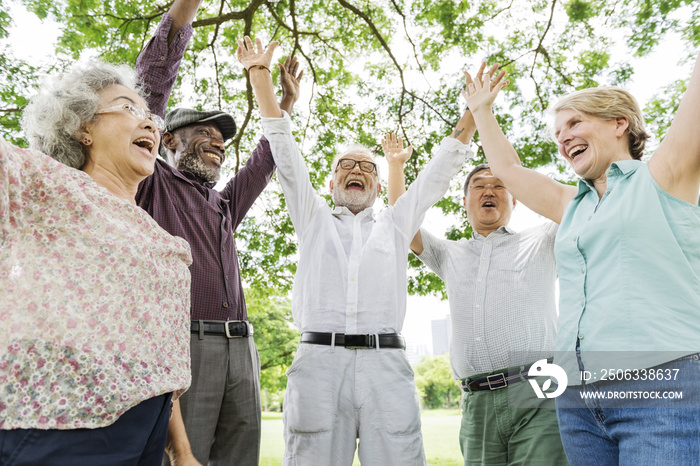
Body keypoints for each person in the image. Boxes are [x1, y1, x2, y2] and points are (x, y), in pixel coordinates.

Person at [237, 35, 490, 465]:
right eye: (346, 167)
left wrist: (474, 111)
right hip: (318, 365)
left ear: (376, 186)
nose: (357, 170)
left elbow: (439, 171)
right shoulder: (312, 217)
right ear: (332, 184)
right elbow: (282, 144)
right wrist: (259, 74)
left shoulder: (395, 223)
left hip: (385, 368)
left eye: (367, 169)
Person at [463, 52, 700, 465]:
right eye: (558, 132)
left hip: (659, 383)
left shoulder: (665, 176)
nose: (562, 137)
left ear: (618, 123)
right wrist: (481, 110)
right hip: (577, 398)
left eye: (574, 123)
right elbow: (506, 166)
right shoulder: (570, 204)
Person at [0, 60, 193, 464]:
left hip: (146, 432)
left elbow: (158, 363)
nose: (151, 126)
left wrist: (182, 450)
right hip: (61, 422)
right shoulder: (47, 183)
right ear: (82, 128)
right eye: (129, 108)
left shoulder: (160, 237)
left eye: (153, 118)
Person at [134, 4, 302, 464]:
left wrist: (283, 102)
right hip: (186, 345)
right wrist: (183, 13)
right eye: (205, 132)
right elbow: (149, 93)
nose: (218, 143)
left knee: (240, 455)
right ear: (168, 139)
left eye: (223, 140)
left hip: (242, 348)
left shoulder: (225, 204)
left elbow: (265, 159)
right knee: (185, 457)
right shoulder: (152, 181)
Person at [386, 130, 567, 464]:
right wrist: (395, 166)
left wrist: (515, 174)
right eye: (479, 186)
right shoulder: (448, 253)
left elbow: (573, 202)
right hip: (476, 401)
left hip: (538, 393)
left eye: (500, 186)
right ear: (464, 200)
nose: (489, 190)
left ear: (515, 199)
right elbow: (401, 221)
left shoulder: (543, 238)